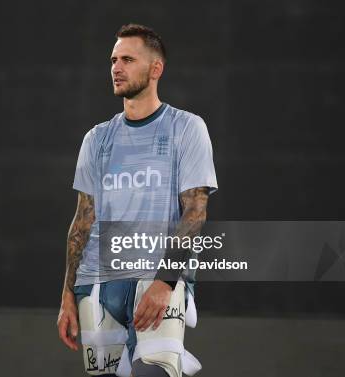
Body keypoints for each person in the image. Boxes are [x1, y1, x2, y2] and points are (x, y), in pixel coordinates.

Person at [57, 24, 217, 377]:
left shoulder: (186, 128)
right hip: (98, 283)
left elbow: (195, 211)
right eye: (114, 59)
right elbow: (83, 219)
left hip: (155, 280)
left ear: (155, 69)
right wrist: (67, 294)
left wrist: (166, 281)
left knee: (155, 372)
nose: (116, 67)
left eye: (128, 59)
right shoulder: (97, 138)